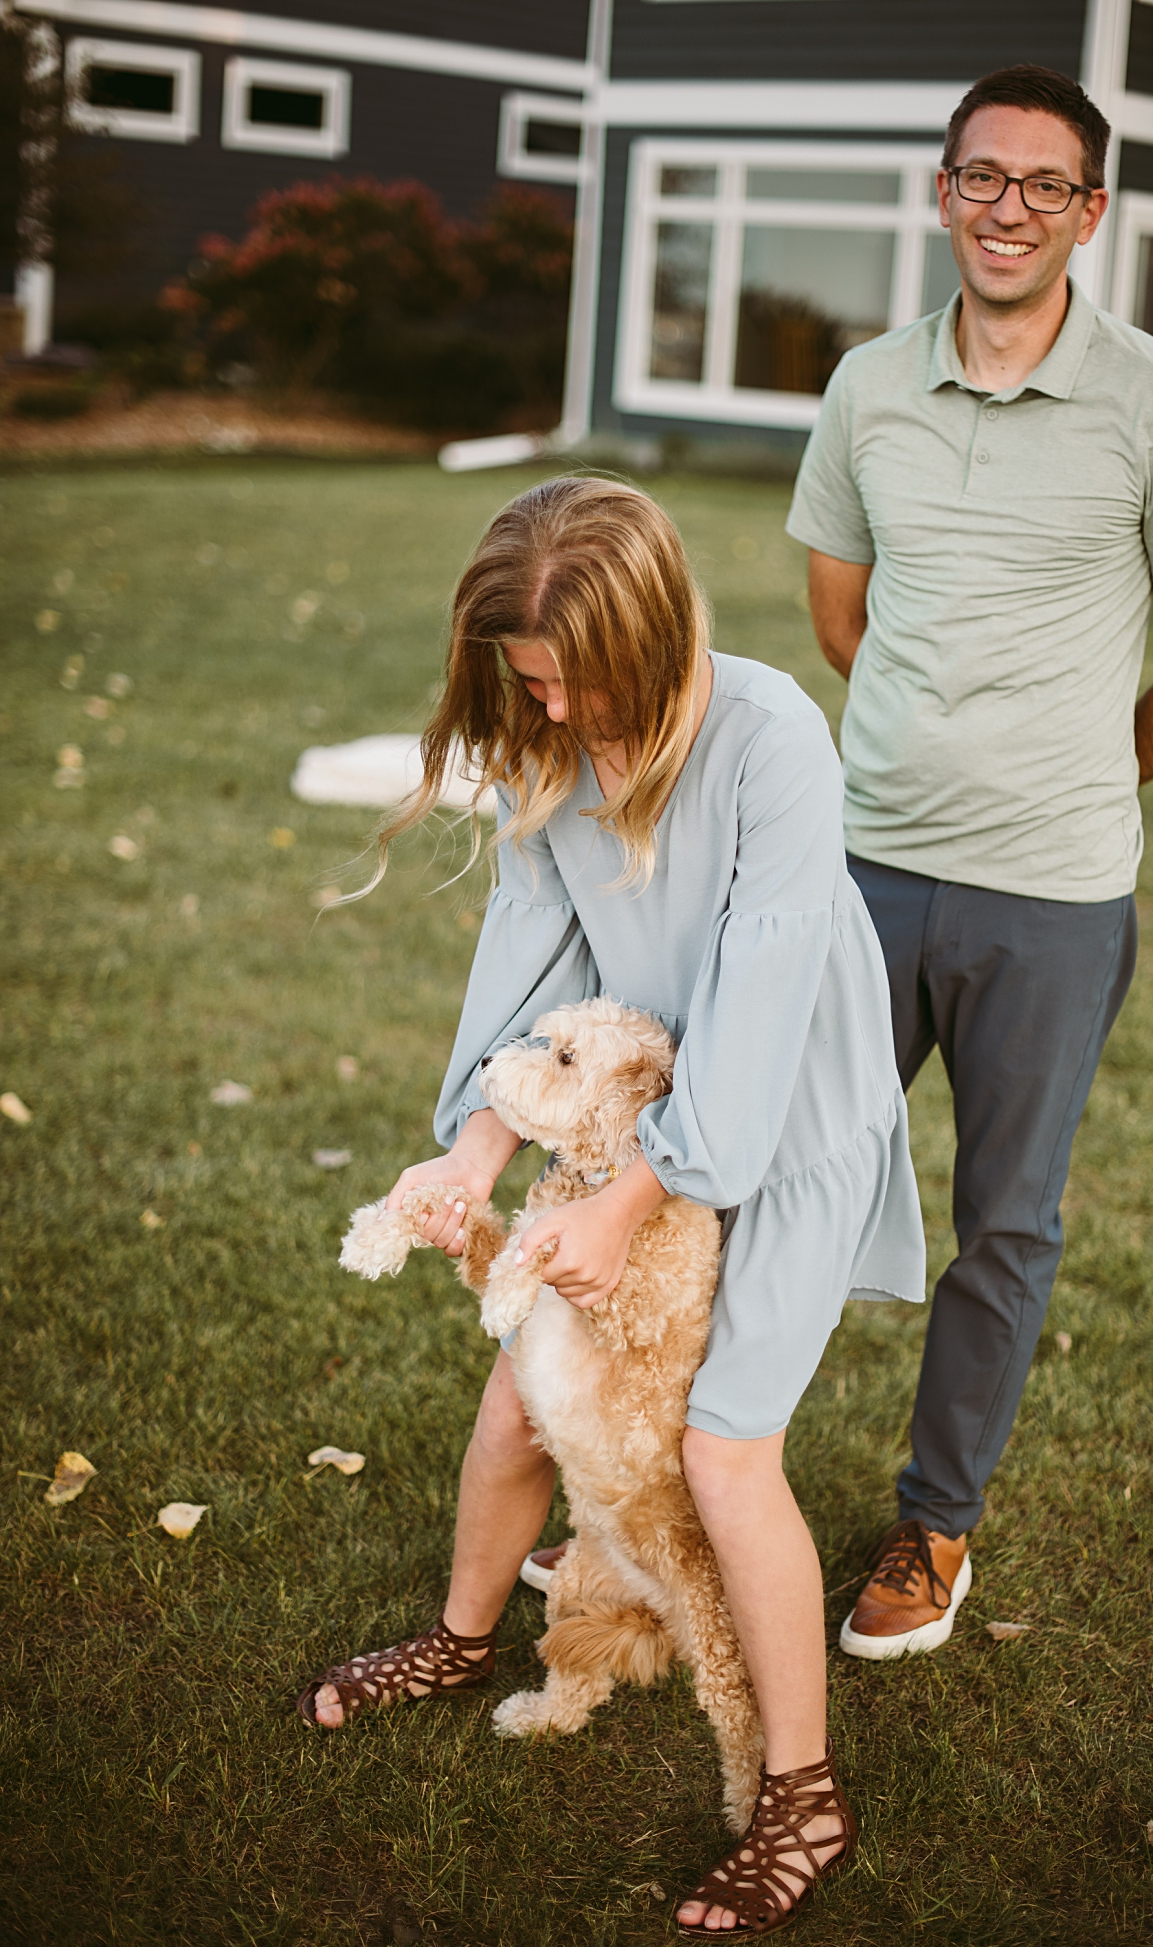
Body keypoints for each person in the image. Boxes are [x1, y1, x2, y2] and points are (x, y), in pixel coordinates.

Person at [295, 476, 927, 1935]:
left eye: (581, 682)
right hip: (633, 1127)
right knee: (526, 1404)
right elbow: (531, 962)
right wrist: (472, 1159)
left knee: (723, 1452)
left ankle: (804, 1795)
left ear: (657, 635)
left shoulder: (773, 739)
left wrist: (634, 1199)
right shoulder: (549, 749)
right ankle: (461, 1642)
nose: (561, 711)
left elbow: (760, 1011)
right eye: (531, 684)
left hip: (782, 1138)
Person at [783, 63, 1153, 1659]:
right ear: (943, 192)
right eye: (982, 176)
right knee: (776, 1176)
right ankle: (698, 1479)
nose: (1009, 208)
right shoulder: (868, 387)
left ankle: (935, 1525)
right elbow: (844, 618)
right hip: (863, 873)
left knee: (1003, 1223)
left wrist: (1067, 783)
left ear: (1091, 212)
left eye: (1046, 184)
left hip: (1053, 901)